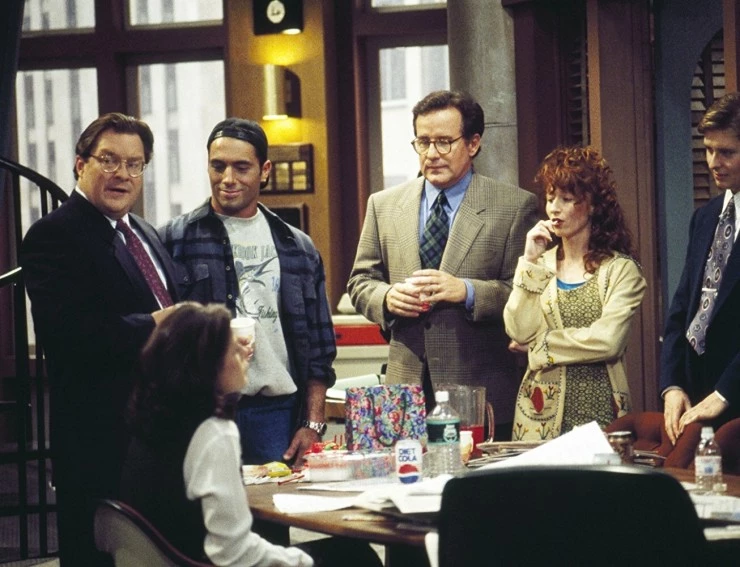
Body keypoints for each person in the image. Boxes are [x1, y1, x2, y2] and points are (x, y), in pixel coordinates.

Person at [20, 112, 181, 565]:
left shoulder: (144, 232)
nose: (122, 174)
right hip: (101, 446)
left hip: (162, 440)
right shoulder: (53, 235)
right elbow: (69, 334)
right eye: (109, 160)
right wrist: (156, 324)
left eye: (134, 164)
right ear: (80, 164)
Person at [121, 303, 383, 567]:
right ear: (208, 364)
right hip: (199, 561)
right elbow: (233, 553)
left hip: (164, 556)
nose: (246, 355)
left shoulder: (151, 423)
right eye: (233, 349)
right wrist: (303, 562)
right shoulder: (213, 433)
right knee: (355, 555)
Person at [347, 90, 539, 440]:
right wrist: (386, 298)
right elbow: (361, 280)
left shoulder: (514, 207)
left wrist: (466, 291)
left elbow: (528, 294)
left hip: (479, 389)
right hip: (405, 389)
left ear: (473, 143)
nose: (432, 153)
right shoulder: (383, 205)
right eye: (423, 142)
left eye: (444, 142)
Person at [160, 118, 336, 465]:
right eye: (218, 166)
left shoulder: (297, 247)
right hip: (198, 411)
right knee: (201, 502)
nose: (228, 178)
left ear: (264, 170)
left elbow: (319, 348)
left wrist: (313, 423)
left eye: (241, 168)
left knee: (275, 500)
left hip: (275, 412)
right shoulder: (173, 239)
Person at [502, 145, 646, 440]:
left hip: (601, 410)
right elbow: (518, 330)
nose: (554, 208)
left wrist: (540, 348)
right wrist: (529, 261)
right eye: (550, 198)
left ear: (592, 205)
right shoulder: (539, 265)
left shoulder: (621, 270)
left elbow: (607, 341)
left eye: (566, 199)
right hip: (539, 415)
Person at [661, 92, 740, 444]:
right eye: (708, 150)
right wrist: (672, 384)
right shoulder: (705, 217)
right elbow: (683, 309)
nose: (713, 162)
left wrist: (725, 392)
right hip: (695, 395)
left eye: (726, 152)